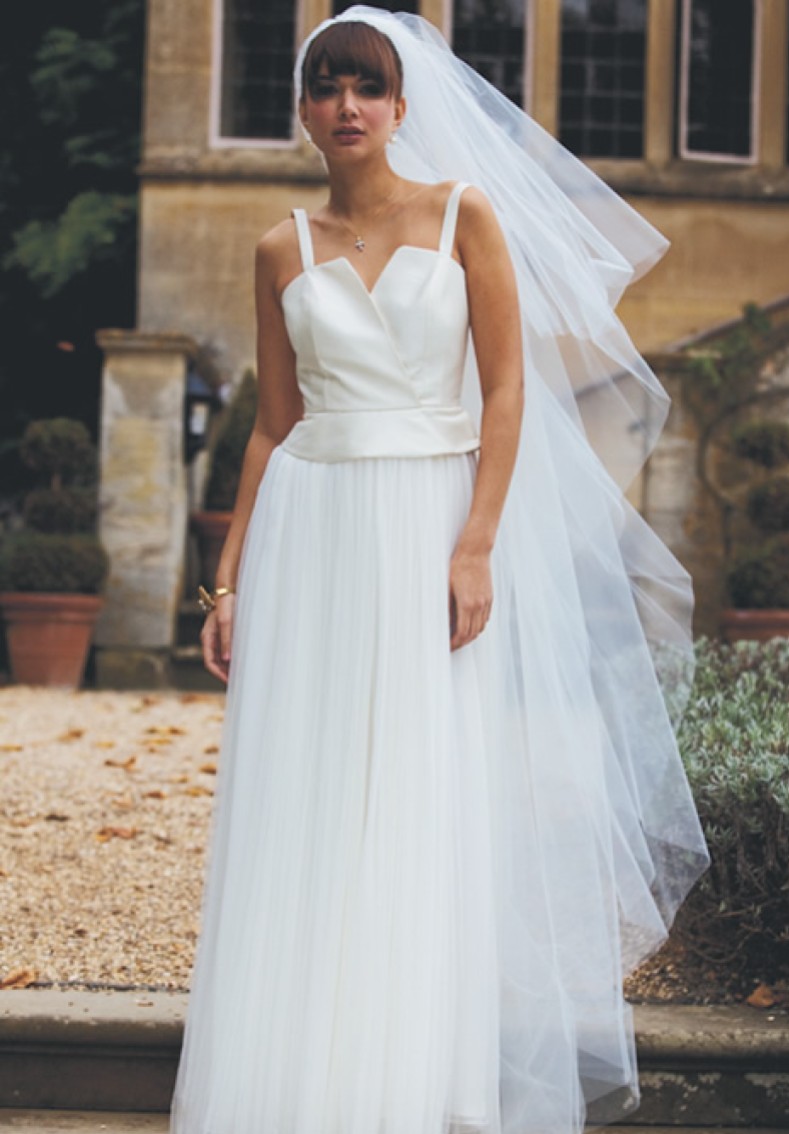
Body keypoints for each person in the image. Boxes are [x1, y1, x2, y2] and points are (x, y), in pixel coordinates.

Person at [169, 7, 710, 1134]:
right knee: (304, 794)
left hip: (427, 518)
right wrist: (227, 584)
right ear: (307, 111)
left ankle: (411, 1080)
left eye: (368, 86)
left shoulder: (468, 217)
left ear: (403, 105)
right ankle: (296, 1077)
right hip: (312, 531)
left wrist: (475, 542)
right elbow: (272, 427)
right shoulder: (280, 247)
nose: (348, 106)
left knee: (417, 788)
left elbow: (507, 390)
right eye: (327, 87)